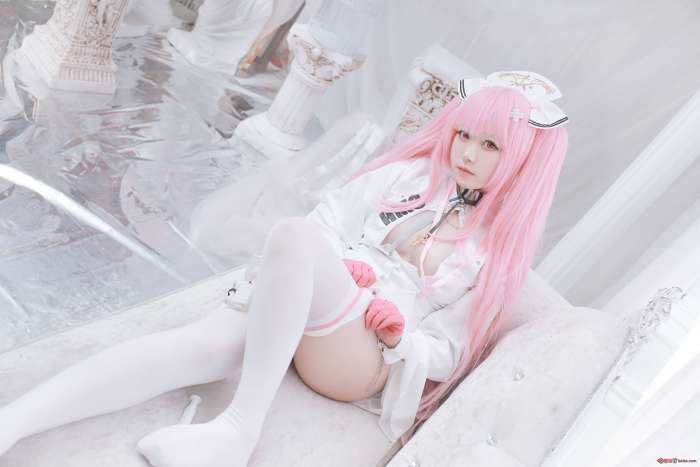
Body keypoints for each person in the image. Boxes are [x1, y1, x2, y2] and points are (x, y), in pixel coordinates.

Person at [0, 71, 568, 467]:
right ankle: (16, 420)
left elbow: (448, 350)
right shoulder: (409, 177)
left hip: (363, 360)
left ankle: (238, 431)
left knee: (293, 238)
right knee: (202, 345)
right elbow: (329, 221)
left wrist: (400, 334)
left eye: (490, 145)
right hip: (318, 303)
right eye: (464, 134)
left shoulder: (497, 252)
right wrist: (342, 265)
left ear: (523, 157)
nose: (466, 153)